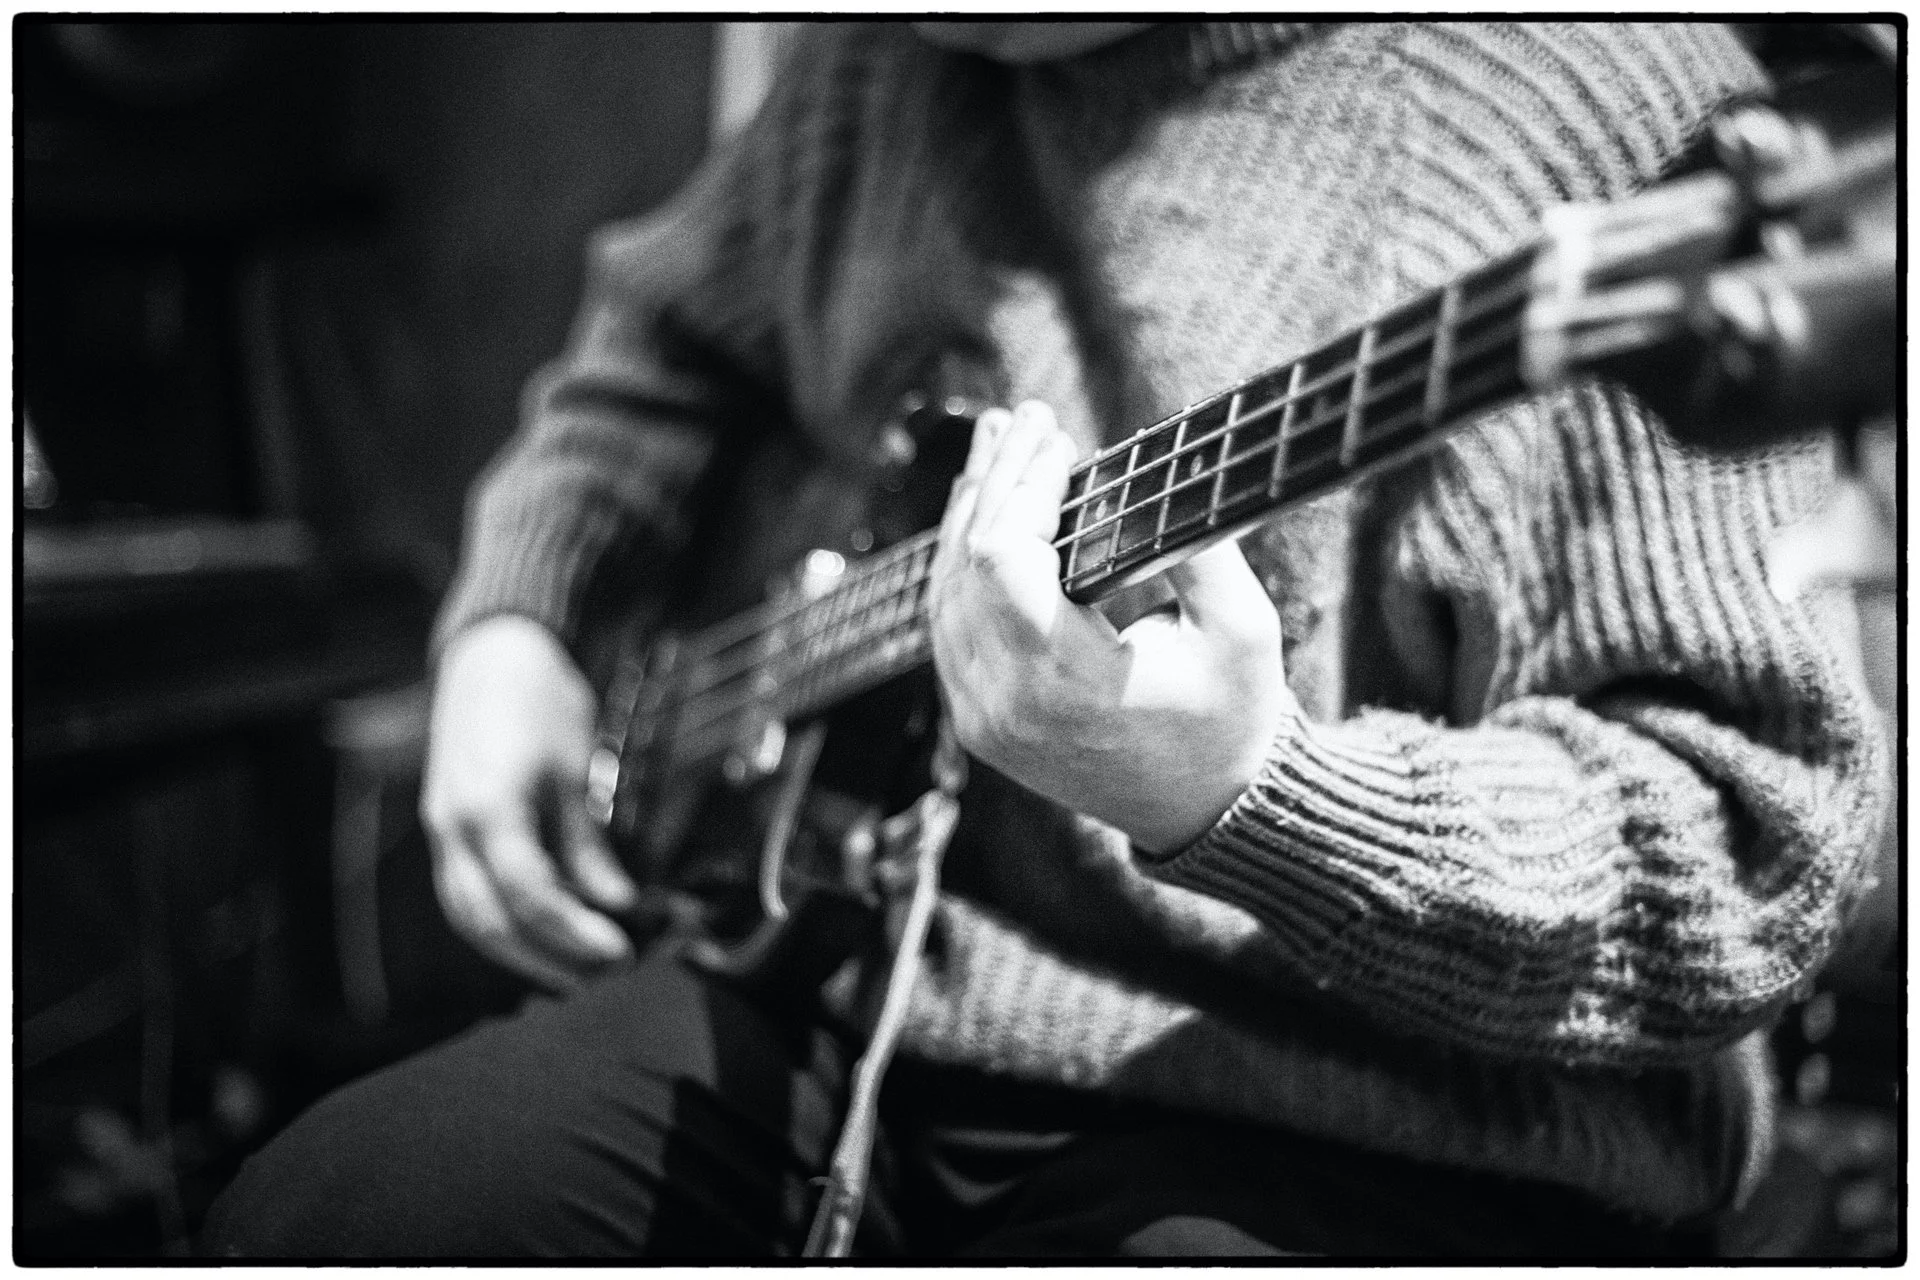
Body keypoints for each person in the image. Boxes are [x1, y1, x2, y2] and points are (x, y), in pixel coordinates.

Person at [203, 21, 1887, 1257]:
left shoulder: (1598, 106)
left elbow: (1749, 853)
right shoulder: (892, 64)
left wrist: (1258, 789)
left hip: (1398, 1122)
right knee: (334, 1216)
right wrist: (522, 619)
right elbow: (660, 344)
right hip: (854, 982)